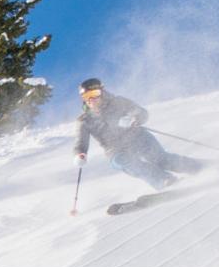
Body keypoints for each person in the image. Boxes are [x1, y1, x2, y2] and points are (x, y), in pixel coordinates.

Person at [74, 78, 203, 190]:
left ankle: (201, 168)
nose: (91, 99)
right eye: (86, 97)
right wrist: (80, 154)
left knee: (161, 159)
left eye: (94, 93)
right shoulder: (85, 120)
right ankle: (164, 181)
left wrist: (134, 118)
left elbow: (142, 112)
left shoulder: (119, 102)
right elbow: (81, 141)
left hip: (138, 138)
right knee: (127, 163)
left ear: (102, 92)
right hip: (115, 150)